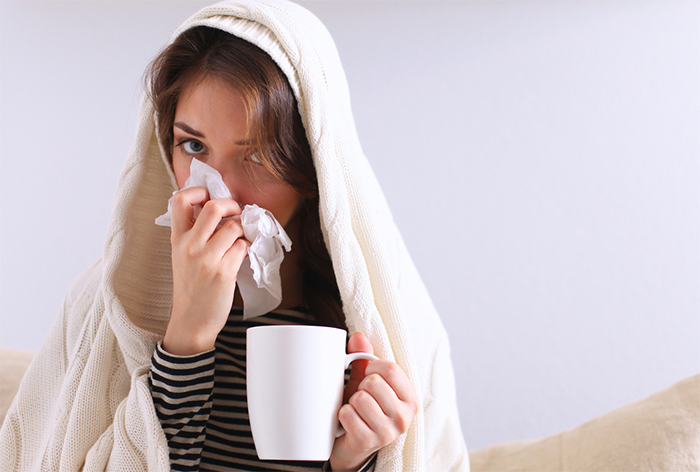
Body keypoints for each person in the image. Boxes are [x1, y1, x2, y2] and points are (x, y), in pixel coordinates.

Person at [0, 1, 469, 471]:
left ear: (314, 165)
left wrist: (354, 461)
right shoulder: (105, 306)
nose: (218, 191)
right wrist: (187, 336)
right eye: (193, 145)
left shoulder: (390, 323)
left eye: (257, 154)